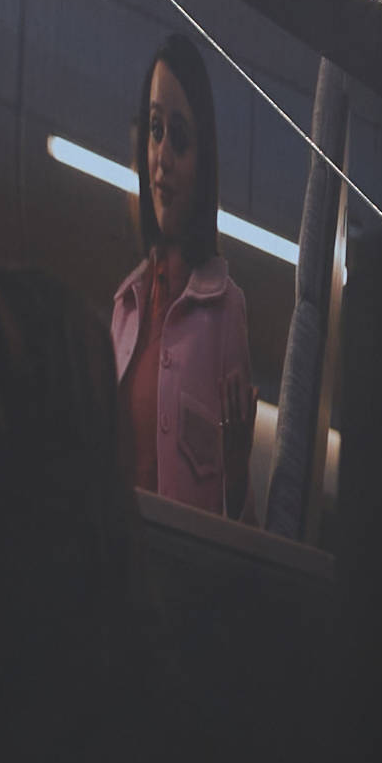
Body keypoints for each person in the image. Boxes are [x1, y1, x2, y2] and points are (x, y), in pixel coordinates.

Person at [110, 30, 255, 520]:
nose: (162, 158)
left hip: (182, 586)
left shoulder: (224, 310)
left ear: (203, 159)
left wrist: (236, 469)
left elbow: (239, 520)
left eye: (181, 137)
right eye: (155, 130)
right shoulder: (124, 307)